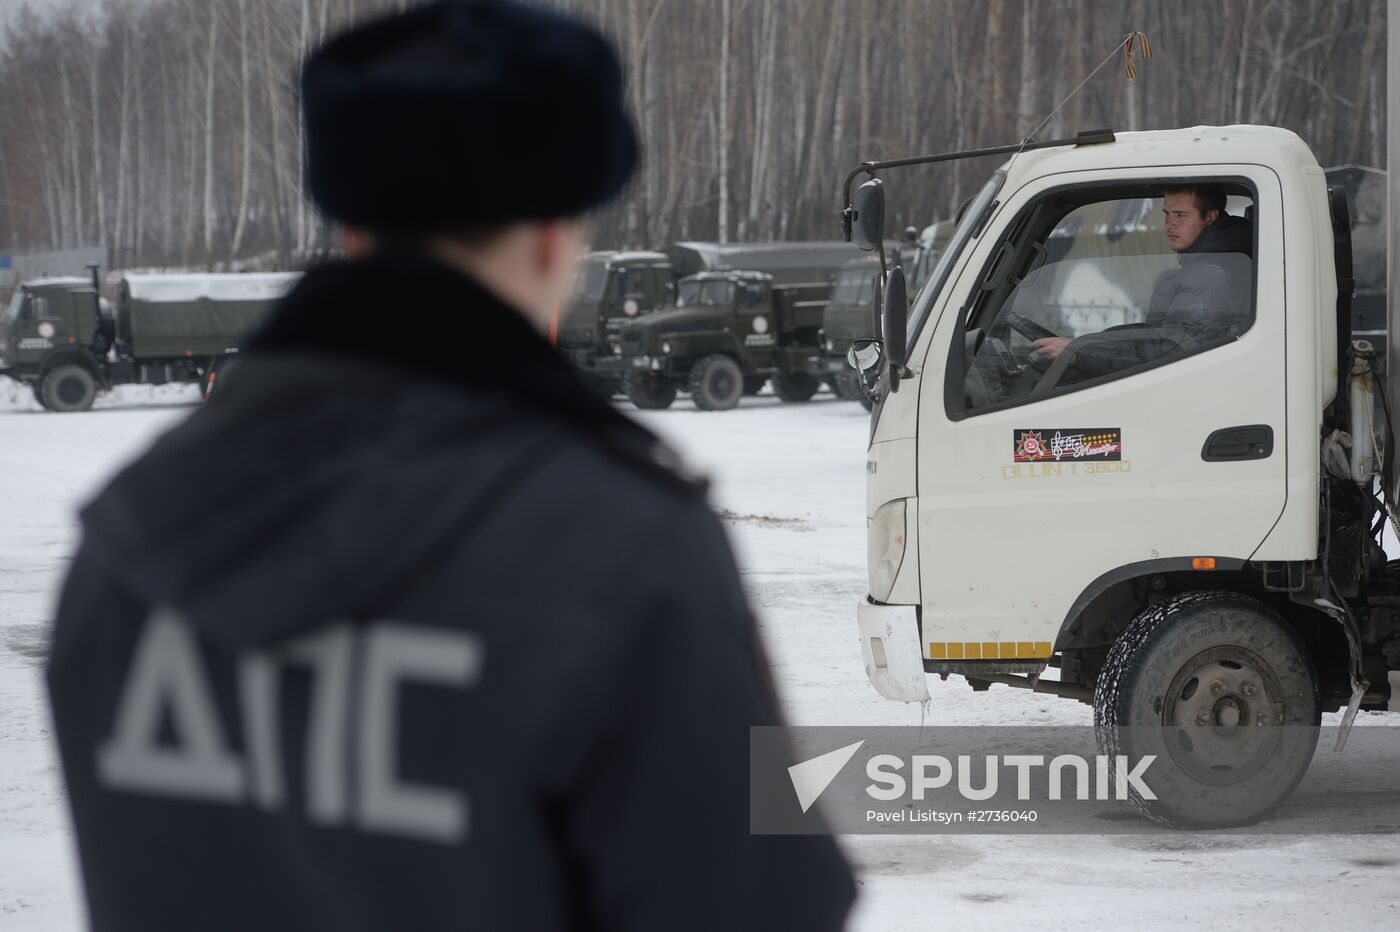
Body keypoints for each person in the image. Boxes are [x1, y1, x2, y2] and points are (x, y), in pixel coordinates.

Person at [45, 3, 856, 930]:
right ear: (557, 235)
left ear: (353, 228)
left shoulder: (126, 539)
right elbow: (765, 905)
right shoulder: (625, 553)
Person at [1031, 183, 1253, 378]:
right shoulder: (1212, 264)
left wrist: (1079, 352)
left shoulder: (1210, 275)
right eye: (1167, 213)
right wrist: (1082, 344)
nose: (1169, 224)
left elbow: (1171, 351)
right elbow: (1156, 334)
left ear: (1210, 218)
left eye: (1180, 215)